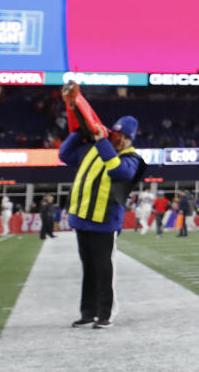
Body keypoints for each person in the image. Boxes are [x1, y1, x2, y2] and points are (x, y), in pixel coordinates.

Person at [60, 113, 142, 328]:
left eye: (124, 137)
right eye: (117, 134)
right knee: (88, 268)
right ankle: (88, 312)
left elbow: (119, 171)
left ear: (130, 140)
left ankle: (106, 314)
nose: (119, 139)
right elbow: (64, 154)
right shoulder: (95, 149)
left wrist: (102, 141)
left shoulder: (132, 159)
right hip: (82, 219)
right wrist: (80, 131)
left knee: (105, 269)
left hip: (105, 222)